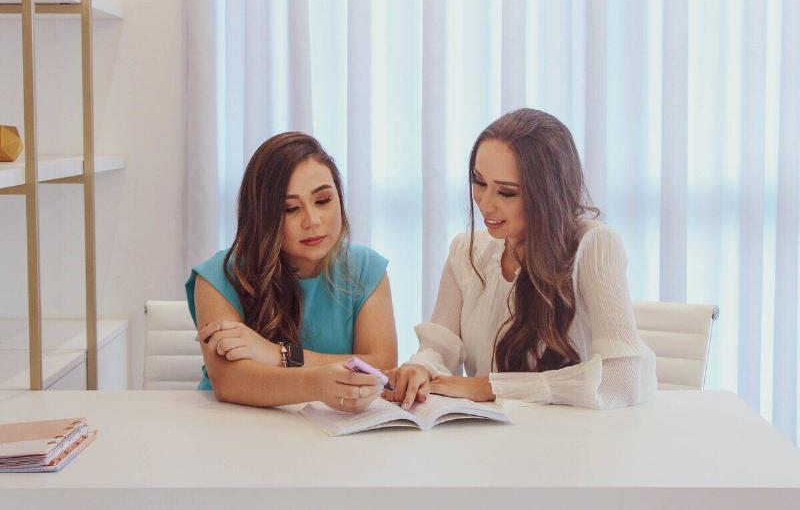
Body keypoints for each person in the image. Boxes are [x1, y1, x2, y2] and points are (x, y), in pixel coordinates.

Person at [387, 108, 656, 410]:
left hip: (571, 441)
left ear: (547, 196)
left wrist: (493, 387)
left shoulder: (593, 244)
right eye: (479, 182)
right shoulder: (467, 251)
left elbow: (626, 377)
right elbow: (439, 347)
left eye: (506, 192)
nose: (486, 205)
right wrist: (420, 368)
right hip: (490, 439)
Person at [187, 132, 397, 412]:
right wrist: (316, 383)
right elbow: (230, 381)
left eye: (323, 201)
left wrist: (277, 354)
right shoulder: (217, 277)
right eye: (291, 208)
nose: (312, 221)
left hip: (333, 433)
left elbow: (382, 367)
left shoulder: (366, 268)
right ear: (262, 215)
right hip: (234, 428)